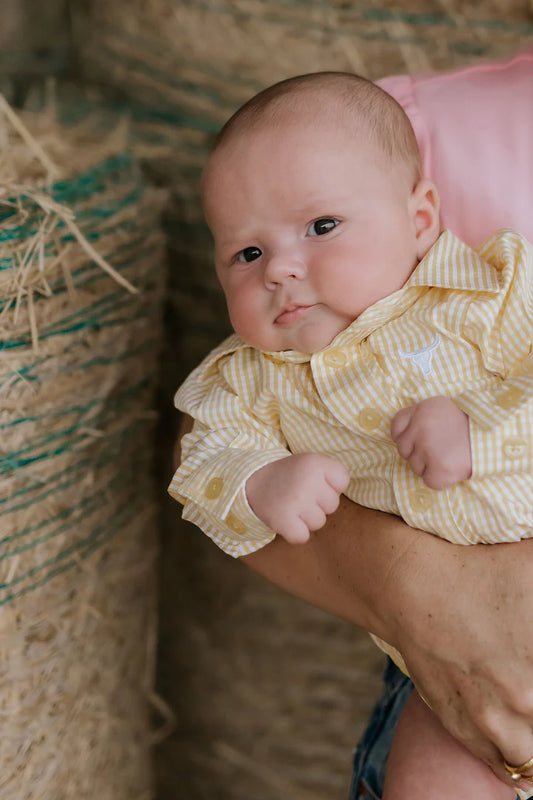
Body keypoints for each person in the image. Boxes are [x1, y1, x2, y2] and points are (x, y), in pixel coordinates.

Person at [169, 71, 533, 798]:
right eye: (246, 255)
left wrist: (480, 428)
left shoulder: (484, 296)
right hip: (458, 655)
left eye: (321, 228)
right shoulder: (251, 380)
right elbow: (197, 460)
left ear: (421, 218)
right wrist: (256, 481)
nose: (281, 270)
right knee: (430, 781)